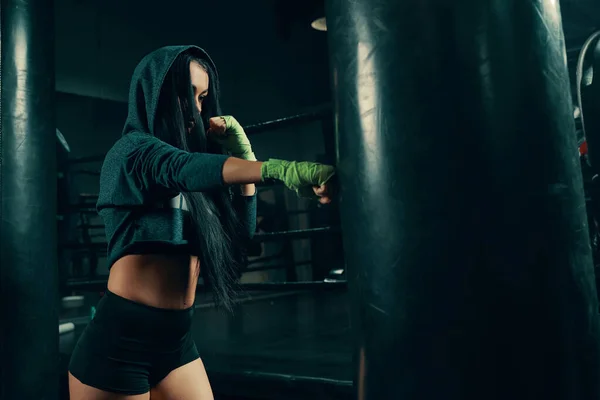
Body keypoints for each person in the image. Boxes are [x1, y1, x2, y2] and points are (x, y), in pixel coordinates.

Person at [68, 45, 336, 400]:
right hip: (120, 343)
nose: (196, 110)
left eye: (203, 97)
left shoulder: (197, 179)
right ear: (156, 95)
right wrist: (281, 169)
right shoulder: (131, 152)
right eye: (186, 95)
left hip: (176, 343)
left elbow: (242, 235)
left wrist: (245, 159)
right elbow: (181, 168)